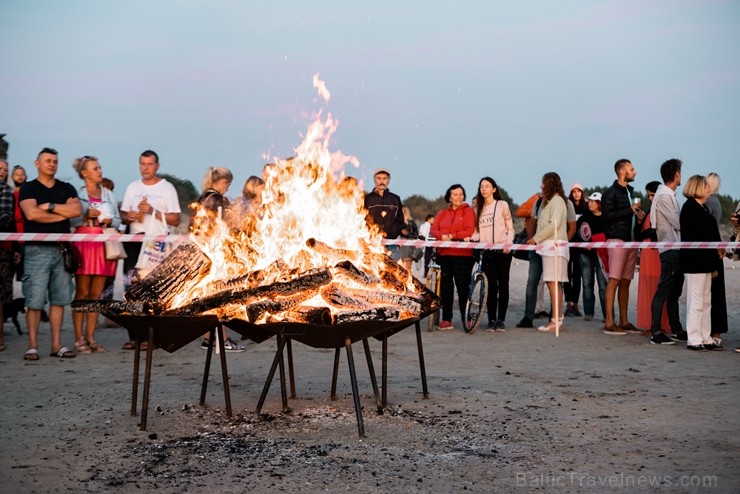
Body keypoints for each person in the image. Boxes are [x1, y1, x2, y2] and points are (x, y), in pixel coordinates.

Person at [18, 147, 82, 360]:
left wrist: (50, 207)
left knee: (59, 299)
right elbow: (31, 214)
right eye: (47, 161)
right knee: (34, 300)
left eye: (55, 161)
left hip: (62, 249)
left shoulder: (66, 187)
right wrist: (59, 214)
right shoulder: (28, 188)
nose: (51, 164)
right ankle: (32, 346)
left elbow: (76, 211)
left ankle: (56, 345)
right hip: (36, 250)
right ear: (37, 164)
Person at [120, 150, 181, 350]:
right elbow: (122, 216)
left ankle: (153, 335)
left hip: (155, 243)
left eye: (149, 164)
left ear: (157, 166)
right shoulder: (132, 187)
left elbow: (175, 219)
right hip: (135, 240)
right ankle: (135, 335)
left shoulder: (167, 188)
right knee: (131, 287)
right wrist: (130, 215)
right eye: (142, 164)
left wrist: (153, 211)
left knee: (153, 287)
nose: (145, 168)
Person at [69, 156, 121, 354]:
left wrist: (110, 221)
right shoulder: (76, 193)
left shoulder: (108, 193)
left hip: (104, 243)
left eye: (99, 167)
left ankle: (91, 337)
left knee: (96, 295)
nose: (100, 171)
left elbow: (117, 221)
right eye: (95, 168)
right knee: (82, 293)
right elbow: (70, 221)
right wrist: (84, 216)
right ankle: (78, 338)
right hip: (84, 242)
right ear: (84, 173)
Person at [192, 167, 245, 353]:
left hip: (204, 250)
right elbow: (226, 224)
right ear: (220, 182)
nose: (227, 188)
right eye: (226, 184)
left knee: (210, 295)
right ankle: (223, 340)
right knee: (220, 296)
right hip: (217, 251)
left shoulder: (203, 198)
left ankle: (208, 339)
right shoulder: (216, 199)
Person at [601, 159, 645, 336]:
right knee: (614, 279)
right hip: (617, 240)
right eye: (631, 169)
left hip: (631, 239)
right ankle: (609, 322)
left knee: (626, 281)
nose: (635, 172)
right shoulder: (610, 193)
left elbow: (627, 215)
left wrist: (638, 217)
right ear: (622, 172)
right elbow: (608, 216)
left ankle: (624, 321)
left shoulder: (628, 191)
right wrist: (630, 210)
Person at [679, 175, 723, 351]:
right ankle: (694, 337)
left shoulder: (702, 208)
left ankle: (705, 336)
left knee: (706, 301)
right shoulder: (690, 208)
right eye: (706, 186)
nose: (709, 189)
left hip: (706, 261)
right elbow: (704, 233)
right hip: (695, 261)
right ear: (697, 188)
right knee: (696, 300)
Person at [648, 159, 686, 345]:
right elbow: (677, 222)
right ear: (676, 174)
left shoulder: (668, 194)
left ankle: (676, 328)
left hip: (675, 248)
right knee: (663, 290)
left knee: (674, 292)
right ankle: (656, 331)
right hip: (670, 248)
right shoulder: (664, 196)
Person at [430, 184, 475, 330]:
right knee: (446, 288)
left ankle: (466, 318)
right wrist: (442, 236)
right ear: (449, 197)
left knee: (463, 288)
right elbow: (433, 230)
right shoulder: (442, 213)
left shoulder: (468, 211)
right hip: (444, 254)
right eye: (455, 194)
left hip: (463, 255)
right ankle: (447, 319)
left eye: (461, 194)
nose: (458, 197)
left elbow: (468, 230)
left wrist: (451, 236)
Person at [527, 173, 569, 332]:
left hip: (554, 246)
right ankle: (557, 318)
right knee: (553, 283)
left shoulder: (557, 201)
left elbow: (554, 225)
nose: (541, 186)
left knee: (553, 283)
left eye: (543, 183)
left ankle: (555, 319)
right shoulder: (548, 202)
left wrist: (536, 238)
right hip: (549, 246)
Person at [473, 177, 514, 332]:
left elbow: (510, 227)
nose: (484, 189)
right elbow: (476, 231)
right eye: (481, 186)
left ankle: (501, 320)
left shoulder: (502, 205)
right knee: (489, 286)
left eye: (487, 186)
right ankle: (490, 319)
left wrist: (508, 244)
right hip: (487, 252)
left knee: (503, 285)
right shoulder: (478, 208)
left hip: (503, 251)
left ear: (494, 189)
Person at [635, 181, 670, 334]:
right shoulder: (650, 210)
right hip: (646, 253)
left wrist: (645, 232)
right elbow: (639, 234)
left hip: (657, 252)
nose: (650, 198)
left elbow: (658, 232)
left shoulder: (662, 209)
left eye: (652, 195)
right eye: (648, 195)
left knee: (657, 287)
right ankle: (649, 323)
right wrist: (640, 221)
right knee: (647, 287)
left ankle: (659, 324)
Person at [576, 192, 608, 323]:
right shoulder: (584, 218)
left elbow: (609, 233)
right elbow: (577, 235)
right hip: (586, 254)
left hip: (601, 254)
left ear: (599, 203)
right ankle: (588, 312)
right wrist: (584, 245)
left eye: (593, 201)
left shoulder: (607, 217)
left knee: (603, 285)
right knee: (587, 283)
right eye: (589, 201)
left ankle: (607, 315)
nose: (590, 203)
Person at [704, 172, 727, 348]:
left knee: (713, 292)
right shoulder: (716, 202)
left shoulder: (709, 202)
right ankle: (715, 331)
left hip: (710, 250)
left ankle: (714, 331)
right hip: (715, 247)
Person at [363, 168, 407, 261]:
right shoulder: (367, 199)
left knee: (392, 273)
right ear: (374, 180)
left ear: (388, 180)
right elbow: (362, 219)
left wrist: (397, 231)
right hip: (372, 244)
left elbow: (400, 221)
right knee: (372, 273)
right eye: (379, 178)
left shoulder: (395, 199)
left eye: (384, 178)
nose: (381, 181)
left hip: (392, 245)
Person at [0, 160, 19, 351]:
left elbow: (6, 218)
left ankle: (0, 338)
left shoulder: (5, 190)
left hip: (3, 247)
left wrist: (15, 250)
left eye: (5, 170)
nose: (2, 172)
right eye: (0, 169)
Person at [564, 183, 588, 317]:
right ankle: (568, 303)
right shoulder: (567, 206)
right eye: (574, 191)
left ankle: (576, 304)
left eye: (579, 191)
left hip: (581, 246)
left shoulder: (586, 207)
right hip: (568, 243)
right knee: (566, 275)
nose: (576, 194)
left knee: (577, 275)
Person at [10, 164, 27, 282]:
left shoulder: (29, 195)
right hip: (11, 237)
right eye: (17, 174)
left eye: (22, 174)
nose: (20, 177)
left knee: (24, 274)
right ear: (12, 177)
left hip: (26, 237)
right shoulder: (9, 194)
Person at [398, 206, 420, 272]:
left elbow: (416, 235)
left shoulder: (412, 223)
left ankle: (408, 278)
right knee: (403, 264)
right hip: (401, 245)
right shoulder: (399, 222)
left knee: (407, 263)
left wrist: (407, 234)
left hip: (409, 245)